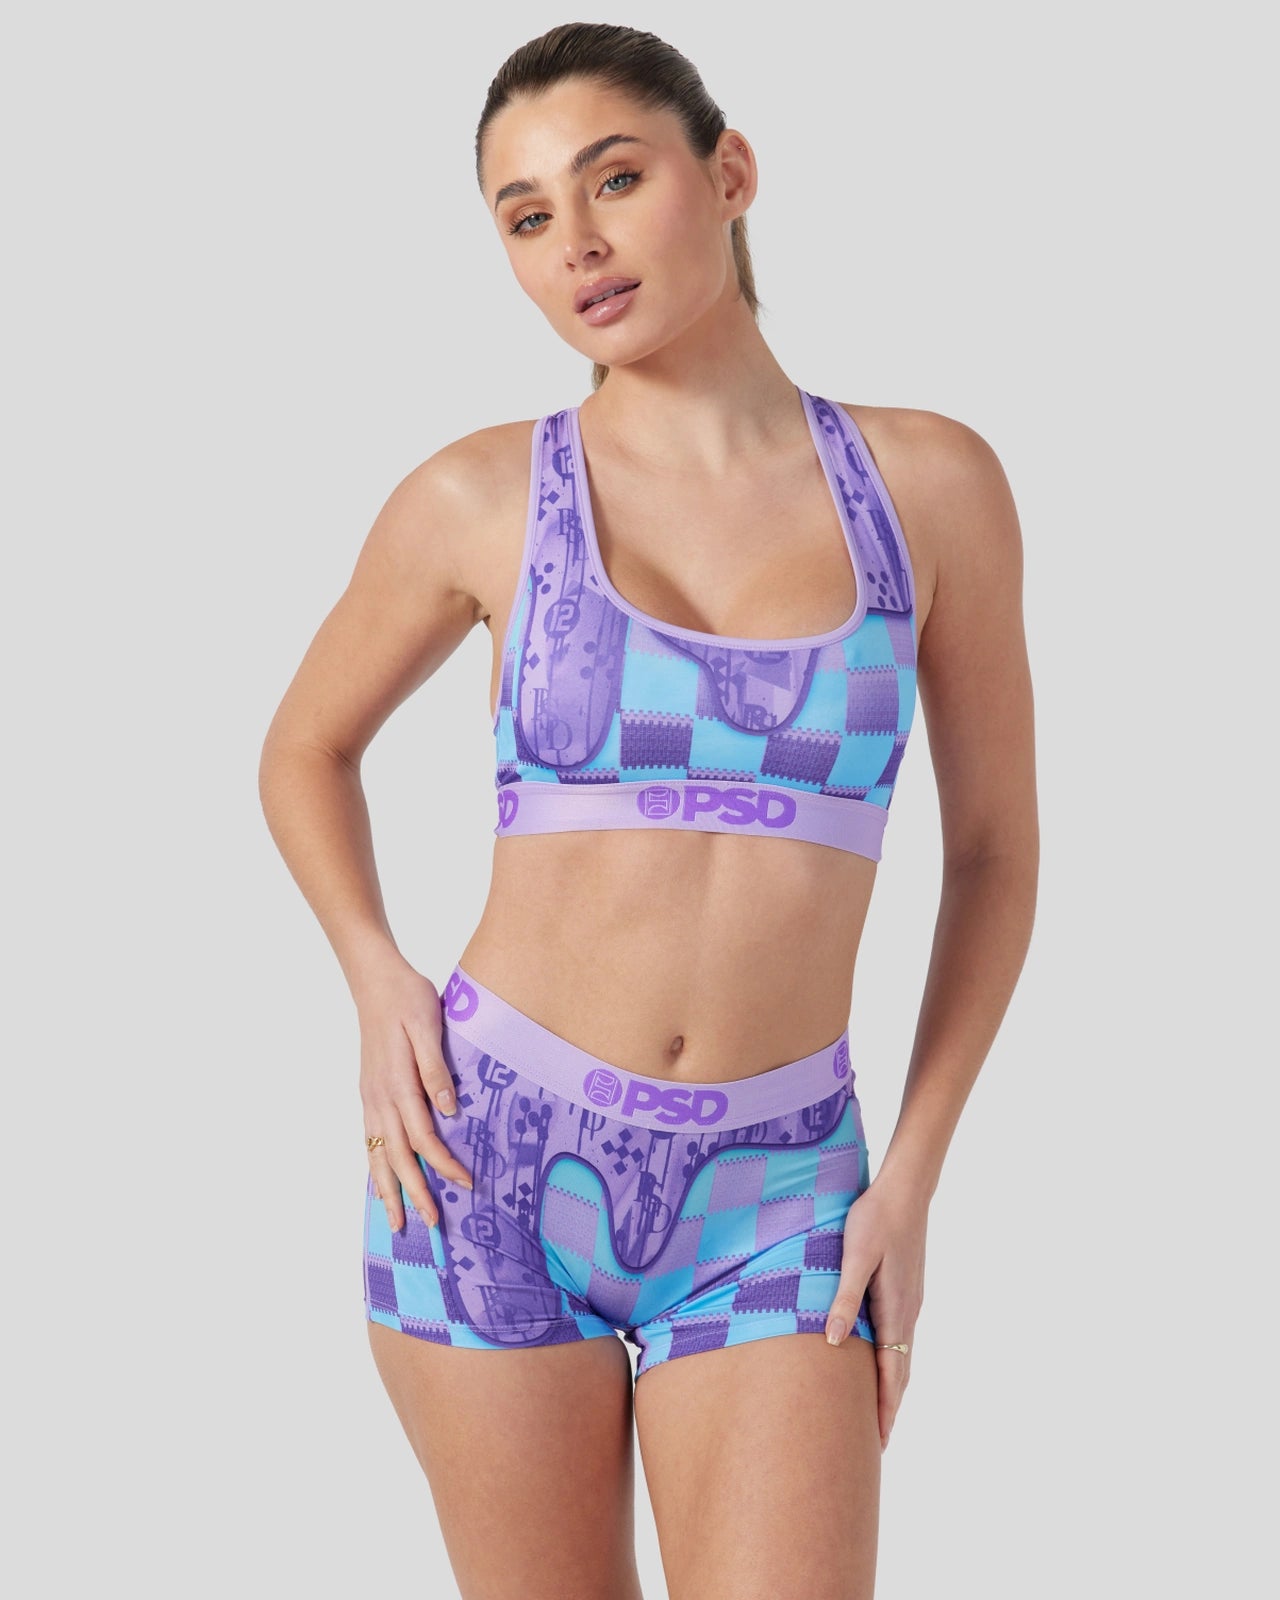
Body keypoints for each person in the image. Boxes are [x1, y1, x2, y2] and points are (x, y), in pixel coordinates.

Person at [259, 20, 1037, 1600]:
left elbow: (993, 851)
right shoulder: (481, 496)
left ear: (729, 173)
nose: (578, 243)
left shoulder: (930, 487)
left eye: (615, 180)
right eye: (527, 215)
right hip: (484, 1162)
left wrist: (910, 1178)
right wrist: (375, 974)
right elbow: (303, 749)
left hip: (783, 1191)